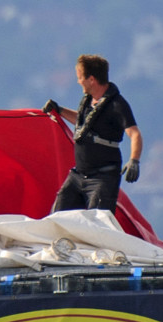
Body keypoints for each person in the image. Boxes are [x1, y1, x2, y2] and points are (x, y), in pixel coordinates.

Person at [44, 54, 143, 213]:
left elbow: (135, 134)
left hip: (102, 179)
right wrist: (59, 110)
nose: (78, 81)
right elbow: (84, 123)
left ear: (91, 79)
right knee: (57, 216)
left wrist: (134, 160)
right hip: (78, 175)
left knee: (96, 224)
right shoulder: (89, 100)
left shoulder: (117, 105)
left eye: (80, 77)